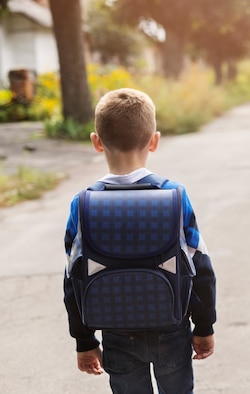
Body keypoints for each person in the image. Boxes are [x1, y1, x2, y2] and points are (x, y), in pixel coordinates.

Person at [63, 88, 217, 394]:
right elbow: (200, 267)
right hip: (171, 327)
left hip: (116, 331)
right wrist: (204, 327)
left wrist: (84, 340)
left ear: (96, 141)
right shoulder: (174, 196)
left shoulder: (83, 204)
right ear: (154, 140)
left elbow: (73, 279)